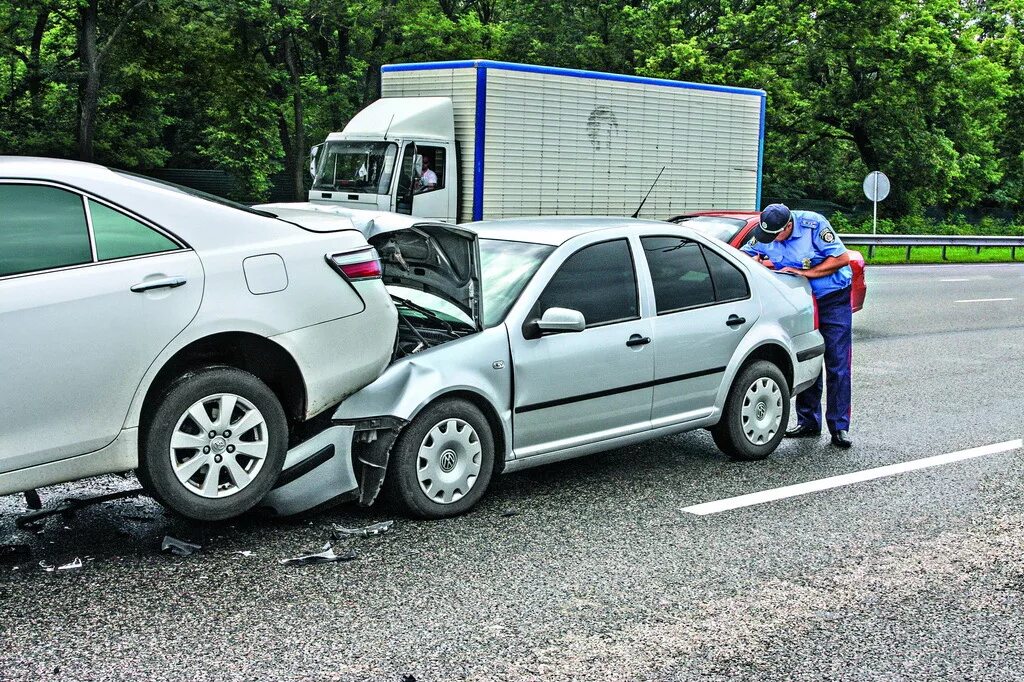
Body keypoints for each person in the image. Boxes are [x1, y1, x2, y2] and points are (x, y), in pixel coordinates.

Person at [741, 203, 854, 448]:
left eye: (776, 236)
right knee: (806, 357)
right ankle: (808, 422)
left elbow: (841, 258)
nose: (771, 241)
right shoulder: (766, 232)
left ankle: (839, 427)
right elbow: (745, 256)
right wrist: (761, 265)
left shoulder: (813, 225)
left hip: (831, 297)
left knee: (837, 363)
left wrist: (808, 273)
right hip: (799, 302)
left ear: (789, 226)